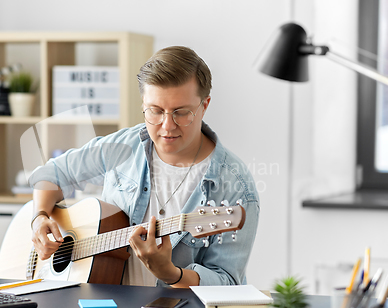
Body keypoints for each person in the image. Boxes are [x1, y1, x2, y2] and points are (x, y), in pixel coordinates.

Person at [28, 46, 259, 287]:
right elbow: (51, 174)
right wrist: (39, 218)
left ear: (205, 105)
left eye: (181, 113)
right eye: (155, 111)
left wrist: (171, 273)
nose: (167, 126)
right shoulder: (122, 146)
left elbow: (227, 281)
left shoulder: (235, 186)